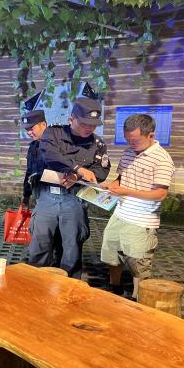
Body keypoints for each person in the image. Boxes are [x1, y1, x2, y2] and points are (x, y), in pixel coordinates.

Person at [28, 97, 111, 278]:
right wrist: (78, 168)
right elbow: (50, 155)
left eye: (93, 125)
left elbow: (102, 170)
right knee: (39, 245)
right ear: (71, 119)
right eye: (84, 124)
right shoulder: (53, 133)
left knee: (72, 247)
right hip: (47, 198)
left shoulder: (98, 145)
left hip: (74, 199)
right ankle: (36, 283)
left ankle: (69, 286)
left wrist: (77, 176)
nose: (89, 128)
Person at [100, 114, 175, 300]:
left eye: (135, 140)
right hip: (120, 213)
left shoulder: (162, 159)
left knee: (138, 262)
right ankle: (114, 288)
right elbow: (121, 178)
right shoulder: (128, 153)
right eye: (128, 139)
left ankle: (137, 298)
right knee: (112, 252)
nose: (131, 144)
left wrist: (126, 191)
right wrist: (112, 185)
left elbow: (160, 194)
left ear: (151, 135)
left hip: (142, 219)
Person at [20, 110, 62, 266]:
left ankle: (58, 267)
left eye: (32, 128)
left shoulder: (59, 144)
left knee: (59, 238)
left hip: (59, 200)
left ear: (43, 124)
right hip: (41, 198)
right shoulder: (33, 147)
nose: (29, 132)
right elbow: (29, 172)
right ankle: (43, 266)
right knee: (41, 236)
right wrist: (26, 196)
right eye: (27, 129)